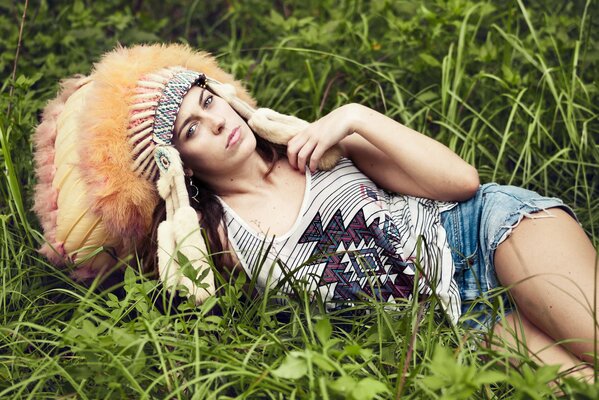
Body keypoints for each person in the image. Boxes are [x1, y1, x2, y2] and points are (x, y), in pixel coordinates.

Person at [33, 43, 598, 381]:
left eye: (208, 100)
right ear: (172, 161)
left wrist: (353, 117)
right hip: (460, 324)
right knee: (579, 383)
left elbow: (461, 183)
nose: (217, 121)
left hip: (486, 231)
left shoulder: (317, 146)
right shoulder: (220, 240)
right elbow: (182, 302)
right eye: (190, 130)